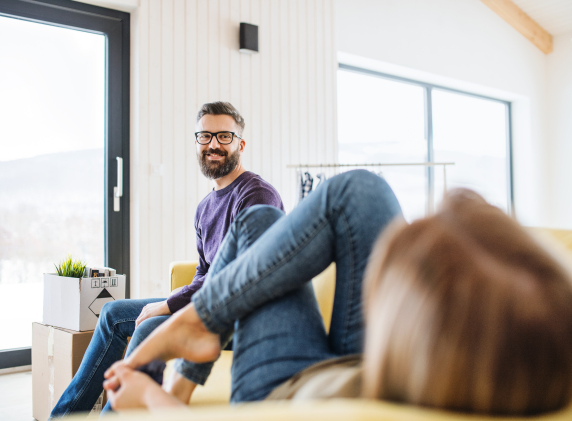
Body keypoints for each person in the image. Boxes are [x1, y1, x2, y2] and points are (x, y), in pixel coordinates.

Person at [104, 170, 572, 416]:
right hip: (376, 368)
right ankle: (199, 325)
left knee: (257, 221)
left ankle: (191, 344)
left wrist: (148, 398)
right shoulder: (486, 367)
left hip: (287, 390)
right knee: (358, 193)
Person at [49, 102, 284, 418]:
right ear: (196, 143)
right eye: (205, 136)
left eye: (225, 136)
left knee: (149, 327)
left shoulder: (256, 195)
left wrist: (168, 305)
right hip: (207, 305)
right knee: (112, 312)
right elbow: (204, 273)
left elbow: (239, 279)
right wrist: (175, 302)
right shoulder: (204, 207)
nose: (214, 144)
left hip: (239, 319)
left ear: (240, 145)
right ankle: (63, 416)